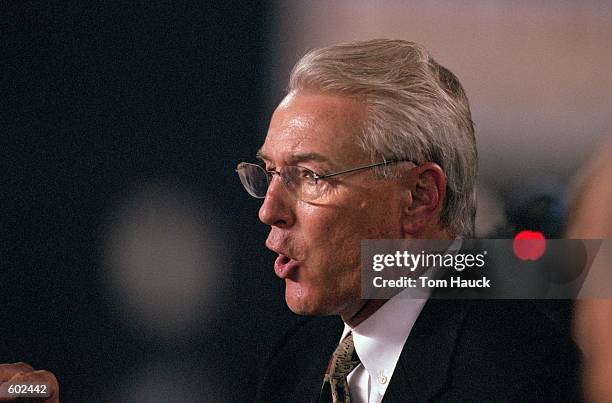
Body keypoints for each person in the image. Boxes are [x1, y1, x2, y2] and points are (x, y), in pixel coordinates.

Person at [237, 39, 581, 402]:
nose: (268, 210)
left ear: (418, 197)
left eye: (310, 176)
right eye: (271, 172)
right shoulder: (295, 361)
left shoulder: (522, 374)